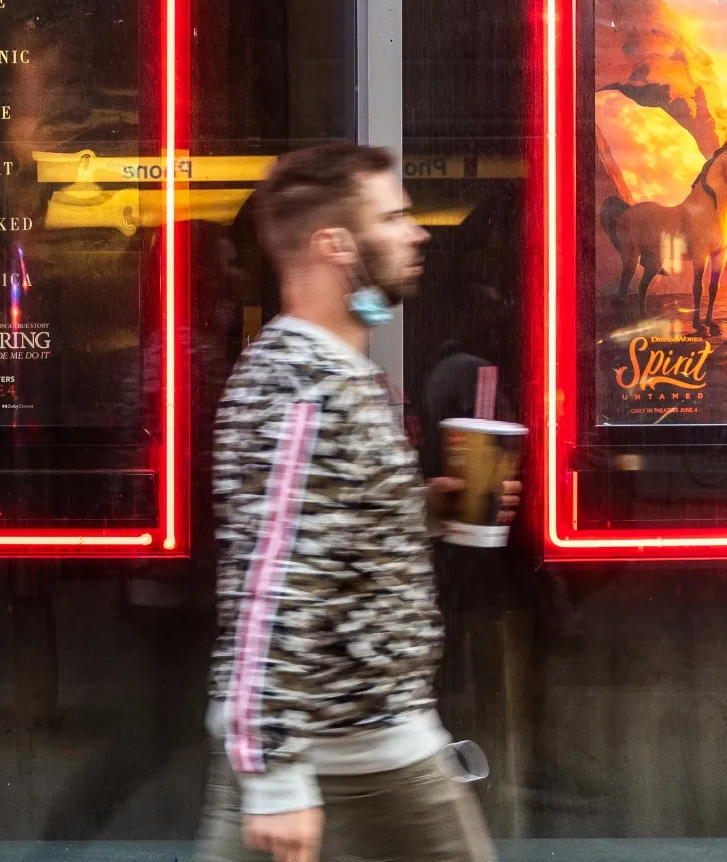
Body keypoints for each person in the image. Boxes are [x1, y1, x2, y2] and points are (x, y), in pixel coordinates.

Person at [197, 143, 508, 862]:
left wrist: (419, 510)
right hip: (346, 755)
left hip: (368, 744)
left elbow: (313, 533)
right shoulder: (306, 387)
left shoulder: (331, 372)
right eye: (394, 216)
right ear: (336, 245)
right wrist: (274, 779)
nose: (419, 230)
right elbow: (267, 587)